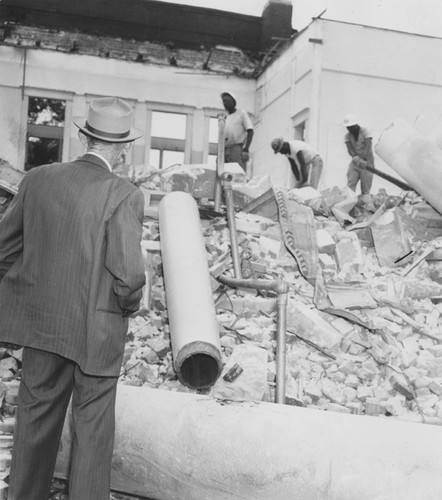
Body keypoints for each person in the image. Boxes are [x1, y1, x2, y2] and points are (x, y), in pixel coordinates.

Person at [0, 97, 146, 500]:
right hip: (96, 334)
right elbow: (130, 276)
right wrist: (126, 307)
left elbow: (3, 249)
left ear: (82, 136)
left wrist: (20, 295)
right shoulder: (124, 194)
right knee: (92, 434)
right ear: (124, 148)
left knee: (34, 422)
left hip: (43, 325)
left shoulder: (38, 178)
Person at [221, 91, 254, 172]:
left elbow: (250, 131)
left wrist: (246, 149)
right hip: (226, 148)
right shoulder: (226, 118)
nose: (225, 103)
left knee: (237, 172)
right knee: (225, 173)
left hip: (236, 148)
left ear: (233, 102)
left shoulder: (241, 113)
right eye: (224, 101)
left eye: (227, 101)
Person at [343, 114, 374, 194]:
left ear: (355, 125)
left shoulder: (365, 132)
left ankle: (364, 205)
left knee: (365, 189)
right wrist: (355, 157)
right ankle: (349, 203)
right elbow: (349, 148)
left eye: (351, 127)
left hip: (367, 163)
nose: (349, 129)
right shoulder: (347, 136)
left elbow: (368, 146)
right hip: (355, 163)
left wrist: (363, 159)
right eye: (347, 127)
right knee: (350, 184)